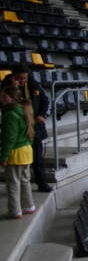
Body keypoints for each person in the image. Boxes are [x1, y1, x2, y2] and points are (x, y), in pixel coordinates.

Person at [1, 65, 52, 192]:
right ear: (13, 76)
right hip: (17, 128)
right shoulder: (5, 87)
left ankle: (42, 183)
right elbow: (6, 104)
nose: (23, 80)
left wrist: (41, 114)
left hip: (34, 127)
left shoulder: (34, 85)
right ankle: (17, 188)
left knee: (38, 157)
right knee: (19, 165)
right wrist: (14, 88)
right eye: (20, 78)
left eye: (25, 78)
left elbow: (45, 101)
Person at [1, 86, 36, 219]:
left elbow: (9, 138)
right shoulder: (25, 110)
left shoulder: (10, 114)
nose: (2, 99)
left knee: (13, 183)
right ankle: (28, 205)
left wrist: (4, 156)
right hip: (26, 150)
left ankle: (15, 210)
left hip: (15, 152)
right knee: (25, 181)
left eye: (5, 96)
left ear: (14, 98)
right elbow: (31, 133)